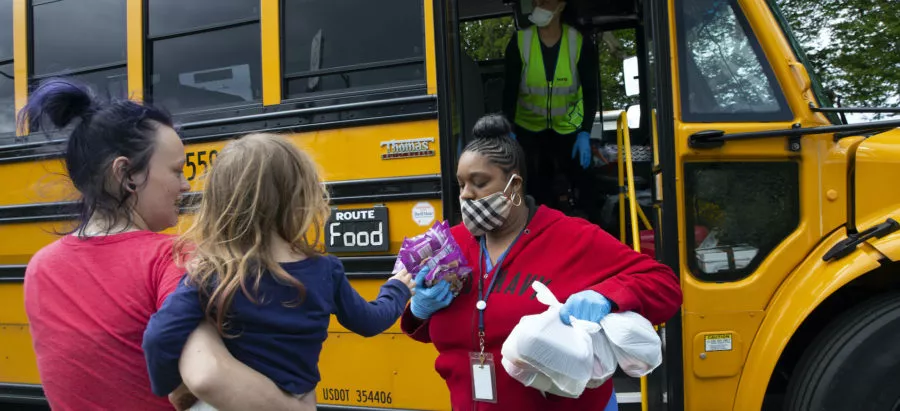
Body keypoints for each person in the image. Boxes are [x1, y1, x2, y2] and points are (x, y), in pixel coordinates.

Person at [21, 79, 318, 411]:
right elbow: (207, 375)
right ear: (127, 174)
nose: (186, 185)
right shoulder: (170, 257)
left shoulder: (41, 267)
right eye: (177, 171)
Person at [400, 114, 682, 411]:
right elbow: (438, 332)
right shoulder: (449, 245)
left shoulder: (572, 237)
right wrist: (419, 311)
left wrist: (606, 297)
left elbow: (664, 284)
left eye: (479, 183)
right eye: (461, 184)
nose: (467, 195)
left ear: (514, 185)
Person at [141, 133, 416, 410]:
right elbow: (369, 322)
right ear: (300, 199)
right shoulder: (325, 270)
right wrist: (397, 289)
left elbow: (160, 336)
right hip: (296, 400)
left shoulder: (211, 273)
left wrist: (169, 387)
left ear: (219, 204)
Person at [502, 0, 600, 212]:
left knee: (587, 182)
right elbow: (509, 91)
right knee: (533, 185)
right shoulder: (520, 41)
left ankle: (589, 223)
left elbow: (591, 92)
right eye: (535, 0)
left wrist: (585, 132)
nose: (538, 4)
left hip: (568, 127)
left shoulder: (578, 42)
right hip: (528, 129)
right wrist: (509, 129)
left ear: (561, 5)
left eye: (545, 0)